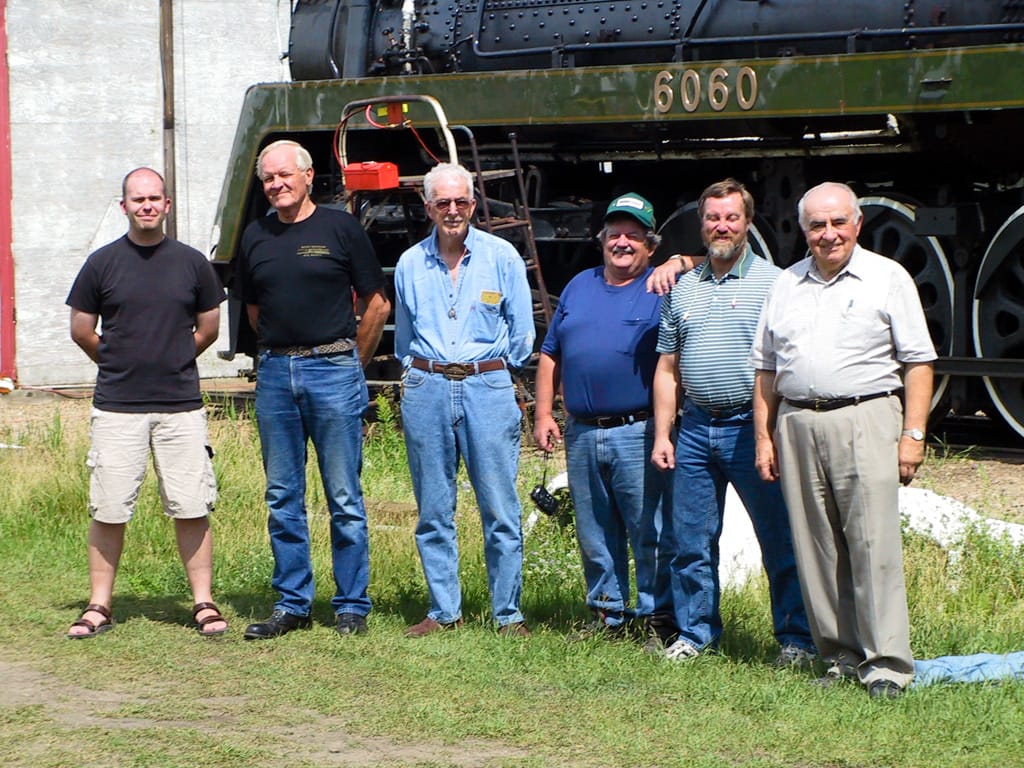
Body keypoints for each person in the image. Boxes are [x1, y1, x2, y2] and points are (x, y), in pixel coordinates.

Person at [751, 181, 935, 698]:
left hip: (866, 418)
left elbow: (918, 363)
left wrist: (912, 436)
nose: (827, 234)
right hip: (796, 423)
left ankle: (886, 665)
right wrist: (764, 438)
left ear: (857, 224)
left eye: (837, 223)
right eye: (816, 225)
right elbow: (765, 370)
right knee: (816, 548)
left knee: (872, 545)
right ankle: (839, 657)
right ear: (804, 229)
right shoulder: (785, 284)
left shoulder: (887, 278)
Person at [650, 179, 815, 663]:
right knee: (691, 542)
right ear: (701, 224)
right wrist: (664, 433)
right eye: (712, 217)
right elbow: (667, 368)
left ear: (747, 223)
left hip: (752, 430)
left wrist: (772, 433)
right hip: (697, 430)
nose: (722, 226)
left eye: (731, 217)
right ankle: (695, 634)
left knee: (779, 539)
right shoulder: (683, 290)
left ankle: (796, 639)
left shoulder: (773, 283)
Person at [65, 167, 227, 639]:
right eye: (138, 199)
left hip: (181, 406)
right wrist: (116, 361)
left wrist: (174, 359)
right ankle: (99, 606)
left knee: (192, 505)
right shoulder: (102, 263)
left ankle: (203, 603)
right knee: (109, 507)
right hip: (117, 406)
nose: (147, 206)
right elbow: (81, 329)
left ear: (167, 205)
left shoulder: (193, 263)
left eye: (155, 198)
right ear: (124, 206)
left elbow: (209, 326)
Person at [238, 139, 390, 640]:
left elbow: (377, 304)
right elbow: (255, 309)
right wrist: (283, 353)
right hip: (277, 377)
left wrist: (351, 361)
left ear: (307, 177)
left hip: (333, 371)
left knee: (343, 496)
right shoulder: (255, 236)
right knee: (283, 496)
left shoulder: (339, 228)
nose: (276, 184)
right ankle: (292, 604)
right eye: (268, 178)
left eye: (285, 175)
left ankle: (350, 605)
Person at [394, 162, 535, 638]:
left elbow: (523, 332)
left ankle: (507, 614)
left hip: (486, 386)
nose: (453, 211)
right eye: (443, 203)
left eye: (461, 202)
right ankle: (444, 611)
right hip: (427, 387)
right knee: (433, 509)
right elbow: (405, 337)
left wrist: (494, 372)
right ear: (428, 207)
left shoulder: (502, 256)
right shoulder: (411, 263)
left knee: (500, 507)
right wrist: (417, 375)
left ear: (474, 205)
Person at [534, 193, 675, 646]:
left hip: (637, 430)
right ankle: (608, 616)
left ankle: (657, 619)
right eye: (615, 234)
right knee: (594, 530)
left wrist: (682, 260)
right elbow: (550, 354)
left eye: (633, 236)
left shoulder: (663, 286)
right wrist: (543, 413)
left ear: (651, 246)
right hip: (581, 430)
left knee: (647, 529)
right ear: (602, 241)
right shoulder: (579, 285)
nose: (622, 243)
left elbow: (706, 264)